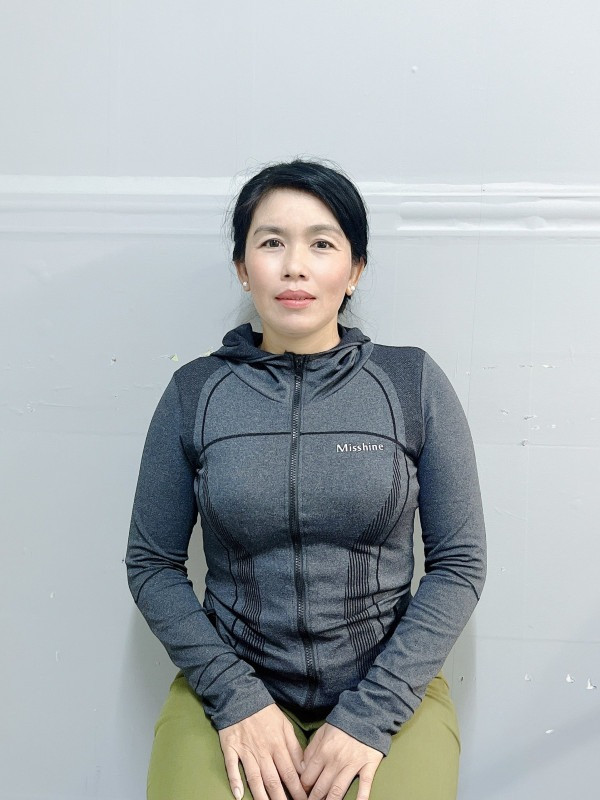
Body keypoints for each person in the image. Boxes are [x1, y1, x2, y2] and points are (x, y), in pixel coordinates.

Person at [125, 158, 487, 800]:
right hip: (230, 686)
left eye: (322, 244)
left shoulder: (411, 383)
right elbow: (152, 564)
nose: (295, 266)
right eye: (271, 243)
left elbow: (460, 564)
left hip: (387, 686)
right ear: (243, 267)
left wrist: (372, 714)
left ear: (355, 269)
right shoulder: (195, 392)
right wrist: (235, 697)